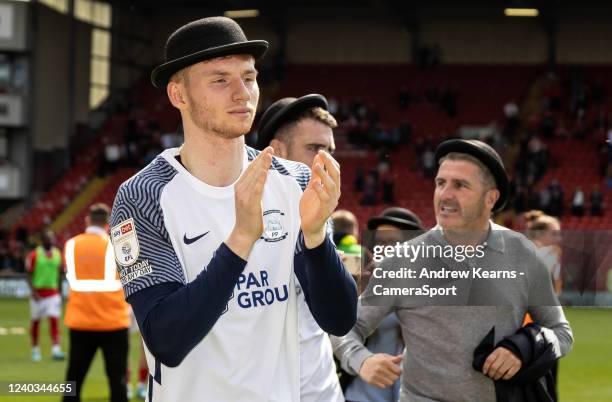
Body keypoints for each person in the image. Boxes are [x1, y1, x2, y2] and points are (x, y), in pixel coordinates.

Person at [109, 17, 357, 402]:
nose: (243, 93)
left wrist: (314, 236)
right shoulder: (144, 194)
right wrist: (241, 238)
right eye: (220, 80)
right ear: (179, 95)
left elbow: (338, 319)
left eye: (249, 77)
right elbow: (167, 340)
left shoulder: (292, 181)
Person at [332, 139, 573, 402]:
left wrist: (523, 349)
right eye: (440, 183)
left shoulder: (522, 254)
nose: (445, 194)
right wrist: (362, 361)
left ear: (490, 198)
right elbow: (344, 328)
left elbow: (561, 333)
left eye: (460, 185)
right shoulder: (403, 260)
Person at [255, 94, 344, 401]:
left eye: (330, 150)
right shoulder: (239, 214)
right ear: (276, 152)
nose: (327, 160)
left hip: (320, 389)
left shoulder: (321, 215)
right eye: (315, 149)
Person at [334, 207, 423, 402]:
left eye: (392, 243)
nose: (384, 250)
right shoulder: (362, 280)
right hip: (360, 394)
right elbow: (337, 333)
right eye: (379, 242)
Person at [63, 203, 130, 402]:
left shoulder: (72, 244)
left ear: (87, 220)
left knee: (73, 378)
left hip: (80, 320)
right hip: (113, 322)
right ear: (108, 224)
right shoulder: (118, 245)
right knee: (117, 381)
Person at [25, 229, 65, 362]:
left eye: (52, 238)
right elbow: (28, 274)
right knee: (36, 322)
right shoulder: (34, 254)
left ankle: (56, 349)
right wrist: (33, 292)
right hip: (38, 294)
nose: (51, 241)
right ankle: (35, 350)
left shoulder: (57, 254)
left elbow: (60, 274)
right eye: (49, 238)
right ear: (43, 240)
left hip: (53, 294)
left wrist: (59, 292)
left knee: (54, 321)